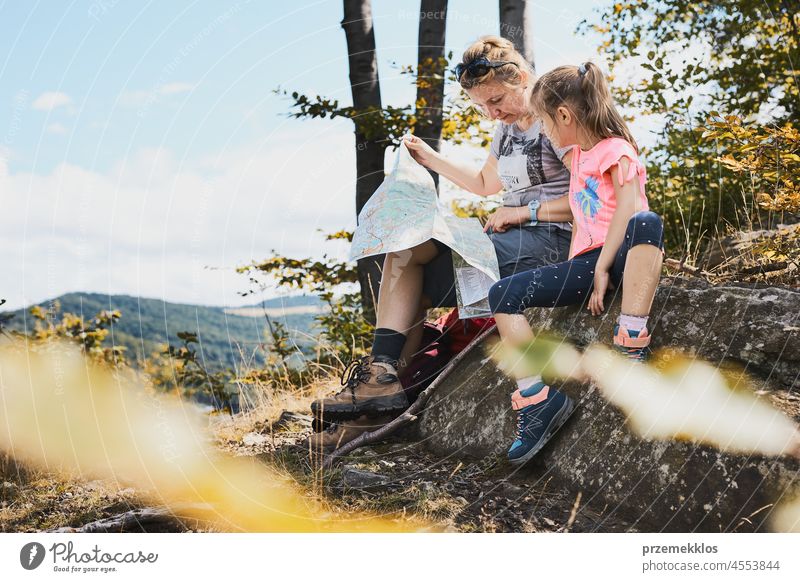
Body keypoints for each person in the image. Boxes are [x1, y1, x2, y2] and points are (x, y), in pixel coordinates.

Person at [307, 35, 575, 452]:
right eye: (481, 106)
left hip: (552, 242)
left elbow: (591, 198)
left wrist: (522, 213)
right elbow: (486, 185)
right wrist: (430, 159)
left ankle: (376, 404)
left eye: (496, 100)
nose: (491, 113)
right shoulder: (506, 129)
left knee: (423, 258)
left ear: (522, 77)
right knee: (406, 251)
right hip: (510, 240)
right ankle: (381, 385)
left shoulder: (557, 117)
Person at [487, 61, 665, 466]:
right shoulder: (578, 157)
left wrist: (603, 267)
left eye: (547, 123)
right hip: (586, 263)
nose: (546, 132)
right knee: (502, 294)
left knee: (647, 221)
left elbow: (629, 209)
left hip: (624, 254)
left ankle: (631, 341)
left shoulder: (617, 150)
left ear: (564, 116)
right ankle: (536, 401)